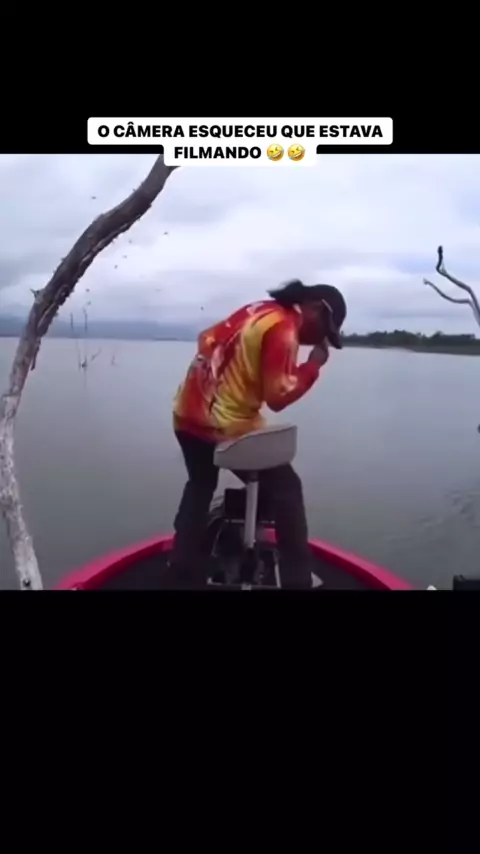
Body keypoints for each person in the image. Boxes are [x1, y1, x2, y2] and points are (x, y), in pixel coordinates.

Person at [169, 279, 347, 588]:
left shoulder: (257, 310)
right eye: (325, 331)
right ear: (315, 308)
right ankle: (297, 582)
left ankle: (180, 569)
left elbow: (206, 339)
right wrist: (312, 366)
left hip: (186, 415)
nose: (320, 339)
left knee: (200, 484)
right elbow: (278, 396)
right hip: (224, 424)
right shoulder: (285, 326)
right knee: (287, 489)